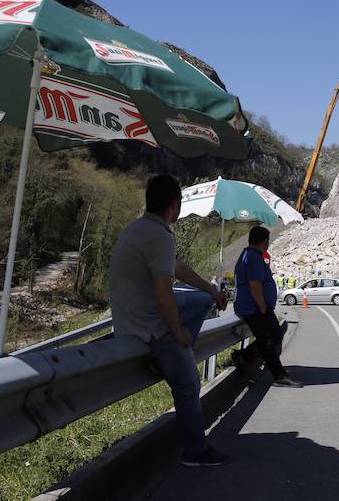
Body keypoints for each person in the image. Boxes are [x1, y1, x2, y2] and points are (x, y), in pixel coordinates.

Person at [108, 174, 229, 468]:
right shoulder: (159, 236)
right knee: (188, 385)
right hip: (148, 327)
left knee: (201, 300)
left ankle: (170, 354)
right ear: (174, 206)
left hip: (127, 318)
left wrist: (211, 290)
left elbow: (177, 268)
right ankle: (195, 451)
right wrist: (178, 332)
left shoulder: (141, 229)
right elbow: (164, 295)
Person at [234, 226, 303, 388]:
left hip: (254, 306)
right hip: (255, 307)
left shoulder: (249, 255)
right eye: (268, 240)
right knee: (267, 340)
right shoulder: (253, 257)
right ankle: (279, 376)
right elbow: (254, 284)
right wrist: (262, 306)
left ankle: (245, 355)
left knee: (274, 335)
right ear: (265, 241)